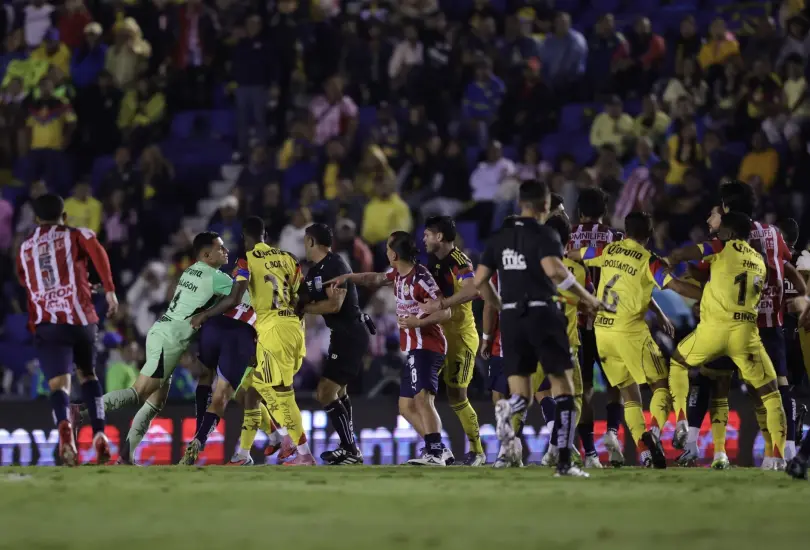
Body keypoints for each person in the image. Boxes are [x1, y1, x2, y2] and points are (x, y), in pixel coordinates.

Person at [427, 180, 604, 477]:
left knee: (520, 392)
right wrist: (588, 298)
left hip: (511, 322)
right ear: (544, 205)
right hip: (542, 315)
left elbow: (481, 282)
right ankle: (563, 463)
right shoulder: (545, 234)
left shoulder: (499, 238)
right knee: (563, 387)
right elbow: (555, 271)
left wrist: (500, 304)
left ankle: (509, 410)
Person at [671, 181, 804, 469]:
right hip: (767, 325)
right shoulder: (772, 234)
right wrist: (802, 293)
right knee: (774, 389)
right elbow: (785, 265)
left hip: (728, 321)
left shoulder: (724, 240)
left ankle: (698, 444)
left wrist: (698, 290)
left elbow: (703, 267)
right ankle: (781, 454)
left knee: (711, 381)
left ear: (726, 209)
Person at [74, 231, 233, 464]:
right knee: (138, 393)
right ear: (207, 254)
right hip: (169, 339)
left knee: (154, 403)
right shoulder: (215, 277)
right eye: (220, 248)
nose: (226, 250)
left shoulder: (191, 270)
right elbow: (243, 296)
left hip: (162, 332)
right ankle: (80, 411)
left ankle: (126, 456)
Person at [569, 212, 698, 468]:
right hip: (630, 333)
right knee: (661, 386)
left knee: (630, 395)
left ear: (625, 231)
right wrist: (710, 294)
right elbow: (678, 287)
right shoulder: (649, 261)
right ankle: (654, 434)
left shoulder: (608, 250)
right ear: (648, 237)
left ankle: (647, 454)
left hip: (602, 333)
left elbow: (574, 255)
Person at [330, 232, 452, 466]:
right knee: (406, 407)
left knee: (422, 398)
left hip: (427, 345)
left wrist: (419, 322)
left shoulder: (421, 277)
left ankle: (435, 452)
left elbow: (445, 311)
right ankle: (438, 449)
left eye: (387, 247)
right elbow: (374, 278)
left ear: (394, 253)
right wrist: (348, 277)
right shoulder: (398, 275)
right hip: (413, 348)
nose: (385, 251)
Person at [17, 193, 118, 466]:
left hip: (48, 324)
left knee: (59, 384)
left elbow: (28, 282)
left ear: (37, 220)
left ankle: (64, 427)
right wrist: (108, 290)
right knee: (88, 375)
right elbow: (98, 253)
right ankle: (99, 432)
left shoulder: (25, 247)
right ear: (64, 216)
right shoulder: (77, 234)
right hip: (82, 320)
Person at [238, 216, 313, 466]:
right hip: (294, 328)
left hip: (272, 330)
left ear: (245, 238)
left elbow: (236, 297)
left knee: (282, 394)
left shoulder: (246, 261)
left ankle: (303, 453)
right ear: (265, 234)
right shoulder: (288, 258)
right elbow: (302, 296)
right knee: (257, 385)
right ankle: (285, 436)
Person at [299, 223, 370, 465]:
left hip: (351, 333)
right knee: (339, 392)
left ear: (310, 241)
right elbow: (303, 300)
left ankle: (351, 448)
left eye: (304, 241)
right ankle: (348, 446)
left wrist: (304, 307)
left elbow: (334, 306)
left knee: (325, 392)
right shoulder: (314, 272)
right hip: (341, 334)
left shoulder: (336, 266)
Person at [178, 255, 258, 465]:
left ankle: (198, 431)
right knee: (221, 396)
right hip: (242, 333)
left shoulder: (243, 266)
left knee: (206, 376)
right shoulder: (275, 282)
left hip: (216, 324)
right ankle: (200, 439)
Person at [567, 187, 625, 467]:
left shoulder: (567, 237)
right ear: (605, 212)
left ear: (579, 211)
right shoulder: (617, 238)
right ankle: (613, 433)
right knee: (618, 383)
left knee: (584, 388)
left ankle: (590, 452)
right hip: (609, 322)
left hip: (576, 324)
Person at [423, 216, 485, 466]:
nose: (424, 238)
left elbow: (473, 290)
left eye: (427, 234)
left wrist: (442, 304)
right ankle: (434, 449)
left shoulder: (460, 261)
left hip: (460, 336)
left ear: (439, 237)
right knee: (423, 392)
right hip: (438, 334)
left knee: (457, 395)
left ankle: (477, 451)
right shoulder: (431, 261)